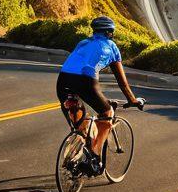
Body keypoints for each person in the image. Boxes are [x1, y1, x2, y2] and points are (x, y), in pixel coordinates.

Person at [56, 16, 144, 174]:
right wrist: (132, 100)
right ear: (110, 32)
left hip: (63, 81)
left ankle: (75, 155)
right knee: (107, 113)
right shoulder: (111, 47)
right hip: (86, 81)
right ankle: (95, 158)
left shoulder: (83, 42)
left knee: (80, 125)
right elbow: (122, 83)